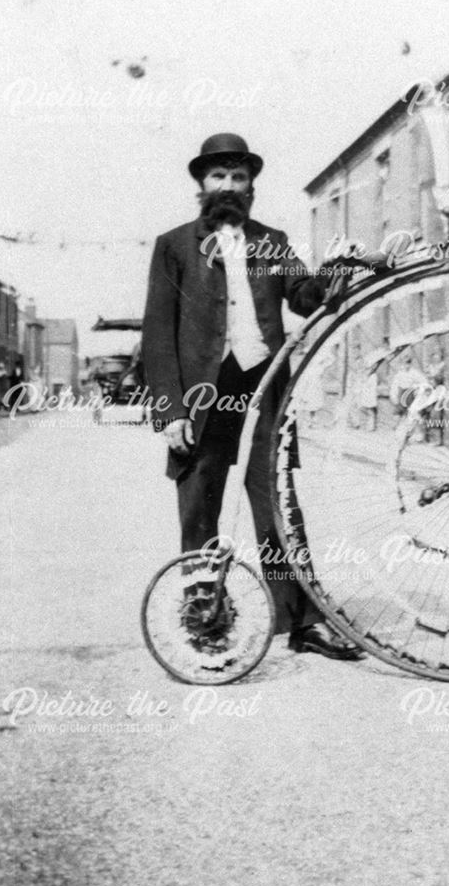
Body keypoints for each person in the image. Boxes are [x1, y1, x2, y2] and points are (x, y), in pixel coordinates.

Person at [142, 132, 363, 660]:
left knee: (278, 509)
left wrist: (339, 269)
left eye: (239, 178)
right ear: (201, 184)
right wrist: (169, 411)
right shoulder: (174, 246)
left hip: (263, 392)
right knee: (199, 510)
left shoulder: (273, 240)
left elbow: (308, 297)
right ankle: (204, 619)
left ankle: (303, 622)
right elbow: (157, 333)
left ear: (252, 187)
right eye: (218, 176)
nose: (229, 186)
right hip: (203, 398)